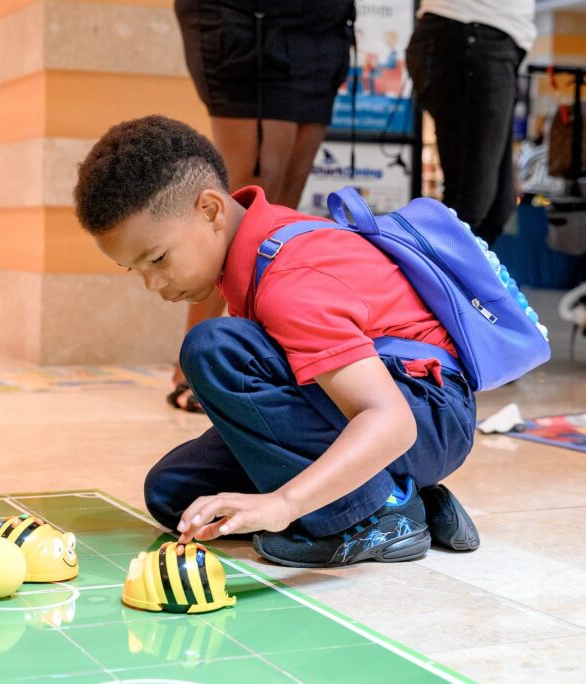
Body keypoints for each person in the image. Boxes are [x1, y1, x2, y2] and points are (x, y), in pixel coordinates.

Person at [73, 116, 479, 568]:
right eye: (136, 269)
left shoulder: (289, 278)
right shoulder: (251, 248)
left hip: (425, 415)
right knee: (175, 491)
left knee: (215, 349)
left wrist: (285, 503)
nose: (152, 283)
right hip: (388, 410)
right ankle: (407, 493)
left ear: (210, 211)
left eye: (159, 258)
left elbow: (391, 420)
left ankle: (375, 516)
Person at [168, 0, 355, 413]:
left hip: (321, 21)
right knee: (249, 194)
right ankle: (194, 363)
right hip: (248, 15)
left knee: (283, 198)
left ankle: (251, 354)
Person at [406, 0, 535, 245]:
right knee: (471, 201)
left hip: (489, 39)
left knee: (497, 206)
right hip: (469, 33)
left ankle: (457, 279)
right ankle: (436, 279)